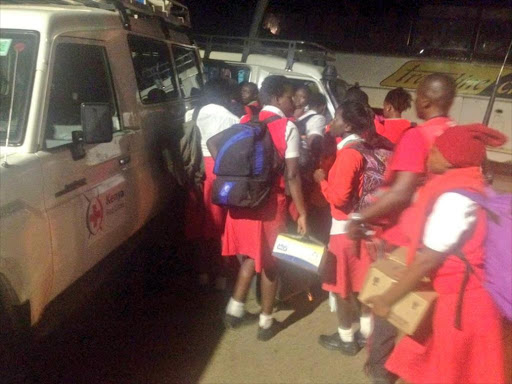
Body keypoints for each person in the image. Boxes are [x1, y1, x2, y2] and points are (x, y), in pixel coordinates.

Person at [367, 124, 507, 384]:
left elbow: (428, 259)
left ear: (451, 157)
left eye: (437, 149)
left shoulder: (454, 200)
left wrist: (387, 299)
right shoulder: (472, 187)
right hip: (466, 301)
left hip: (463, 309)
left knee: (453, 374)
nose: (430, 152)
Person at [346, 73, 457, 383]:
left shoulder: (417, 137)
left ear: (423, 101)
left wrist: (360, 218)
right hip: (447, 243)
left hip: (406, 238)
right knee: (427, 311)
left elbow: (400, 193)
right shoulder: (461, 137)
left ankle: (381, 373)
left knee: (388, 306)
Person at [222, 75, 307, 341]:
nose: (293, 101)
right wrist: (302, 212)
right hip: (271, 206)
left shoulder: (245, 121)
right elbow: (292, 175)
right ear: (277, 97)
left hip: (244, 202)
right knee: (272, 263)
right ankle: (266, 322)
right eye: (290, 96)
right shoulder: (288, 127)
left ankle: (234, 310)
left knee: (250, 255)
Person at [313, 101, 375, 355]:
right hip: (363, 225)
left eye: (336, 118)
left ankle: (346, 338)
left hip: (343, 230)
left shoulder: (349, 154)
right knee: (364, 285)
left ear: (347, 125)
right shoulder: (366, 148)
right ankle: (368, 334)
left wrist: (321, 181)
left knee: (341, 288)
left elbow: (339, 199)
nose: (331, 122)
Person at [193, 78, 240, 288]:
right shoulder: (231, 118)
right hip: (219, 172)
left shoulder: (191, 114)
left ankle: (202, 273)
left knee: (200, 227)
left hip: (196, 172)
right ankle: (222, 275)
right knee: (221, 227)